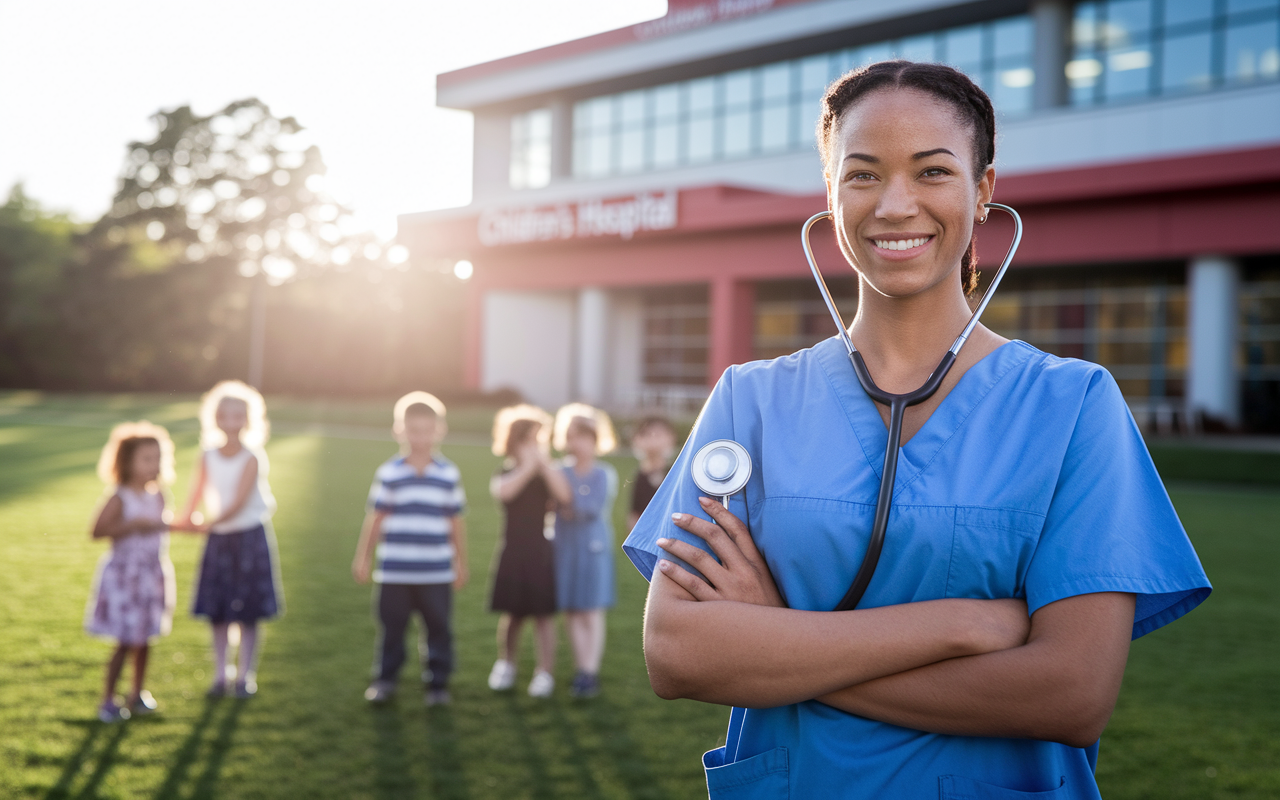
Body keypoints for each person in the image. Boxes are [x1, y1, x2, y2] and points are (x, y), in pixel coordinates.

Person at [623, 61, 1211, 798]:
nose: (895, 205)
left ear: (984, 189)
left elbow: (1071, 694)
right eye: (862, 175)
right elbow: (679, 654)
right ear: (831, 195)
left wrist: (779, 640)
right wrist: (963, 625)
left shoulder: (1074, 405)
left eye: (932, 172)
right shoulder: (751, 400)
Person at [353, 391, 468, 707]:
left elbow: (456, 523)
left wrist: (461, 563)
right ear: (399, 430)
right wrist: (363, 558)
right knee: (392, 630)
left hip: (435, 570)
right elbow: (375, 519)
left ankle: (437, 684)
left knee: (438, 629)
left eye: (427, 429)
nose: (420, 437)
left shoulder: (448, 474)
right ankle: (385, 680)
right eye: (413, 430)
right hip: (394, 570)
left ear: (439, 430)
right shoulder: (389, 473)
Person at [177, 380, 282, 699]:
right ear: (216, 418)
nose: (232, 421)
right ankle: (222, 675)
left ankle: (245, 677)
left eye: (239, 415)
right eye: (225, 415)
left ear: (248, 420)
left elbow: (237, 502)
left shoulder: (253, 457)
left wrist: (206, 524)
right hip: (219, 541)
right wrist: (185, 519)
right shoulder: (207, 455)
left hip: (249, 538)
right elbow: (195, 493)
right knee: (218, 611)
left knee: (249, 613)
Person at [85, 421, 178, 723]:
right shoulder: (120, 496)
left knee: (145, 639)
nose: (155, 465)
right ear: (127, 462)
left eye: (158, 458)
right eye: (147, 459)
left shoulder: (160, 495)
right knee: (124, 641)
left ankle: (136, 693)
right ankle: (108, 700)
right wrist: (132, 525)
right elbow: (97, 531)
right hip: (125, 578)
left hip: (151, 575)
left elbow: (163, 527)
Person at [486, 405, 572, 698]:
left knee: (544, 615)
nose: (534, 446)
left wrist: (544, 465)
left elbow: (564, 496)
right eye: (528, 440)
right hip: (513, 551)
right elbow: (504, 492)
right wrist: (527, 466)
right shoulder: (507, 472)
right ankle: (506, 664)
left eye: (539, 440)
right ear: (513, 443)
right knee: (513, 614)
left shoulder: (547, 475)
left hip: (540, 551)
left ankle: (544, 672)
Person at [552, 403, 619, 699]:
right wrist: (567, 506)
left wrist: (569, 505)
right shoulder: (558, 471)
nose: (576, 442)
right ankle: (581, 668)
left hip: (593, 548)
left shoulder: (604, 473)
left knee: (591, 610)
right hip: (564, 546)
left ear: (595, 438)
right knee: (571, 608)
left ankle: (589, 671)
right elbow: (557, 506)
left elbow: (589, 509)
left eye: (583, 435)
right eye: (571, 435)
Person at [626, 416, 677, 533]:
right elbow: (634, 512)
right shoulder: (639, 477)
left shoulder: (673, 473)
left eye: (658, 434)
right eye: (647, 434)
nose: (653, 439)